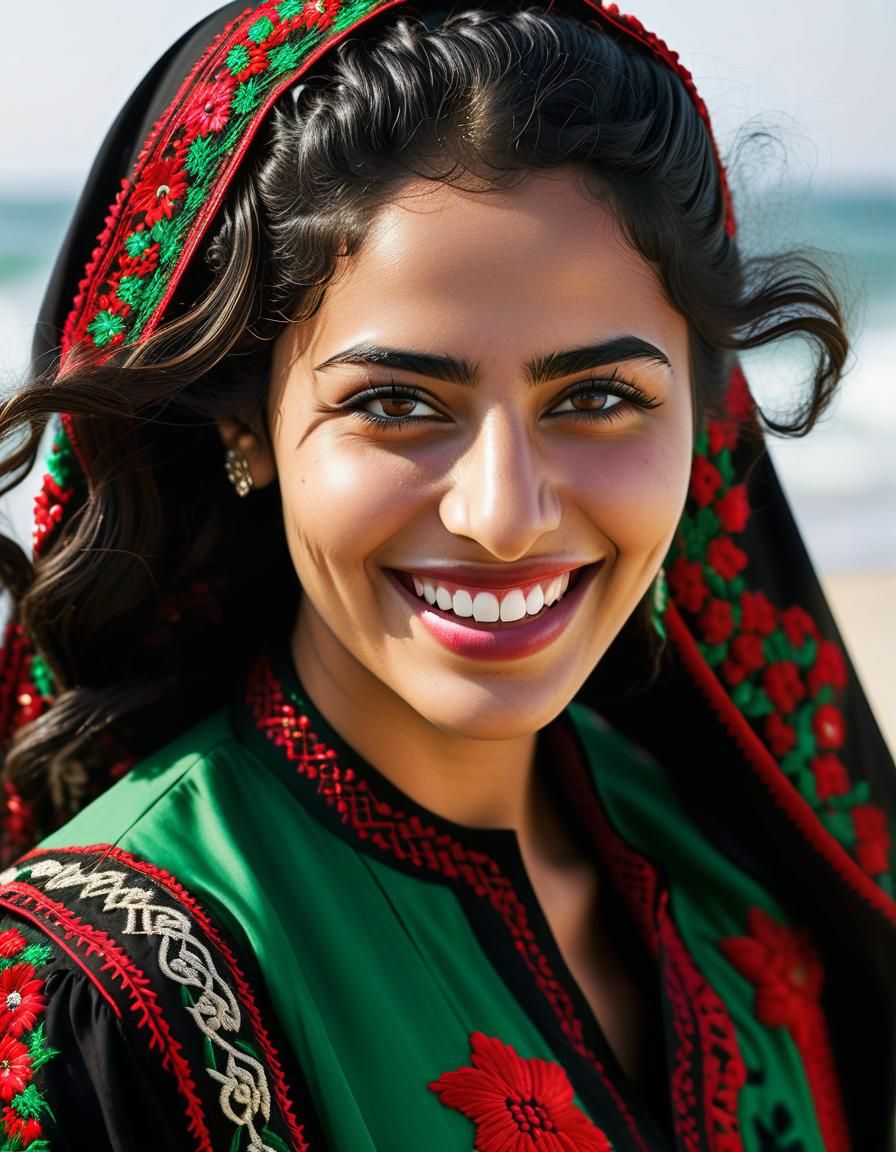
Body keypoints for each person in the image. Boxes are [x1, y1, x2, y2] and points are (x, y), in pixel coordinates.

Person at [0, 1, 892, 1148]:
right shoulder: (108, 1002)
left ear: (701, 415)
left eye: (597, 399)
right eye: (396, 405)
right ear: (246, 432)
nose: (504, 517)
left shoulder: (737, 885)